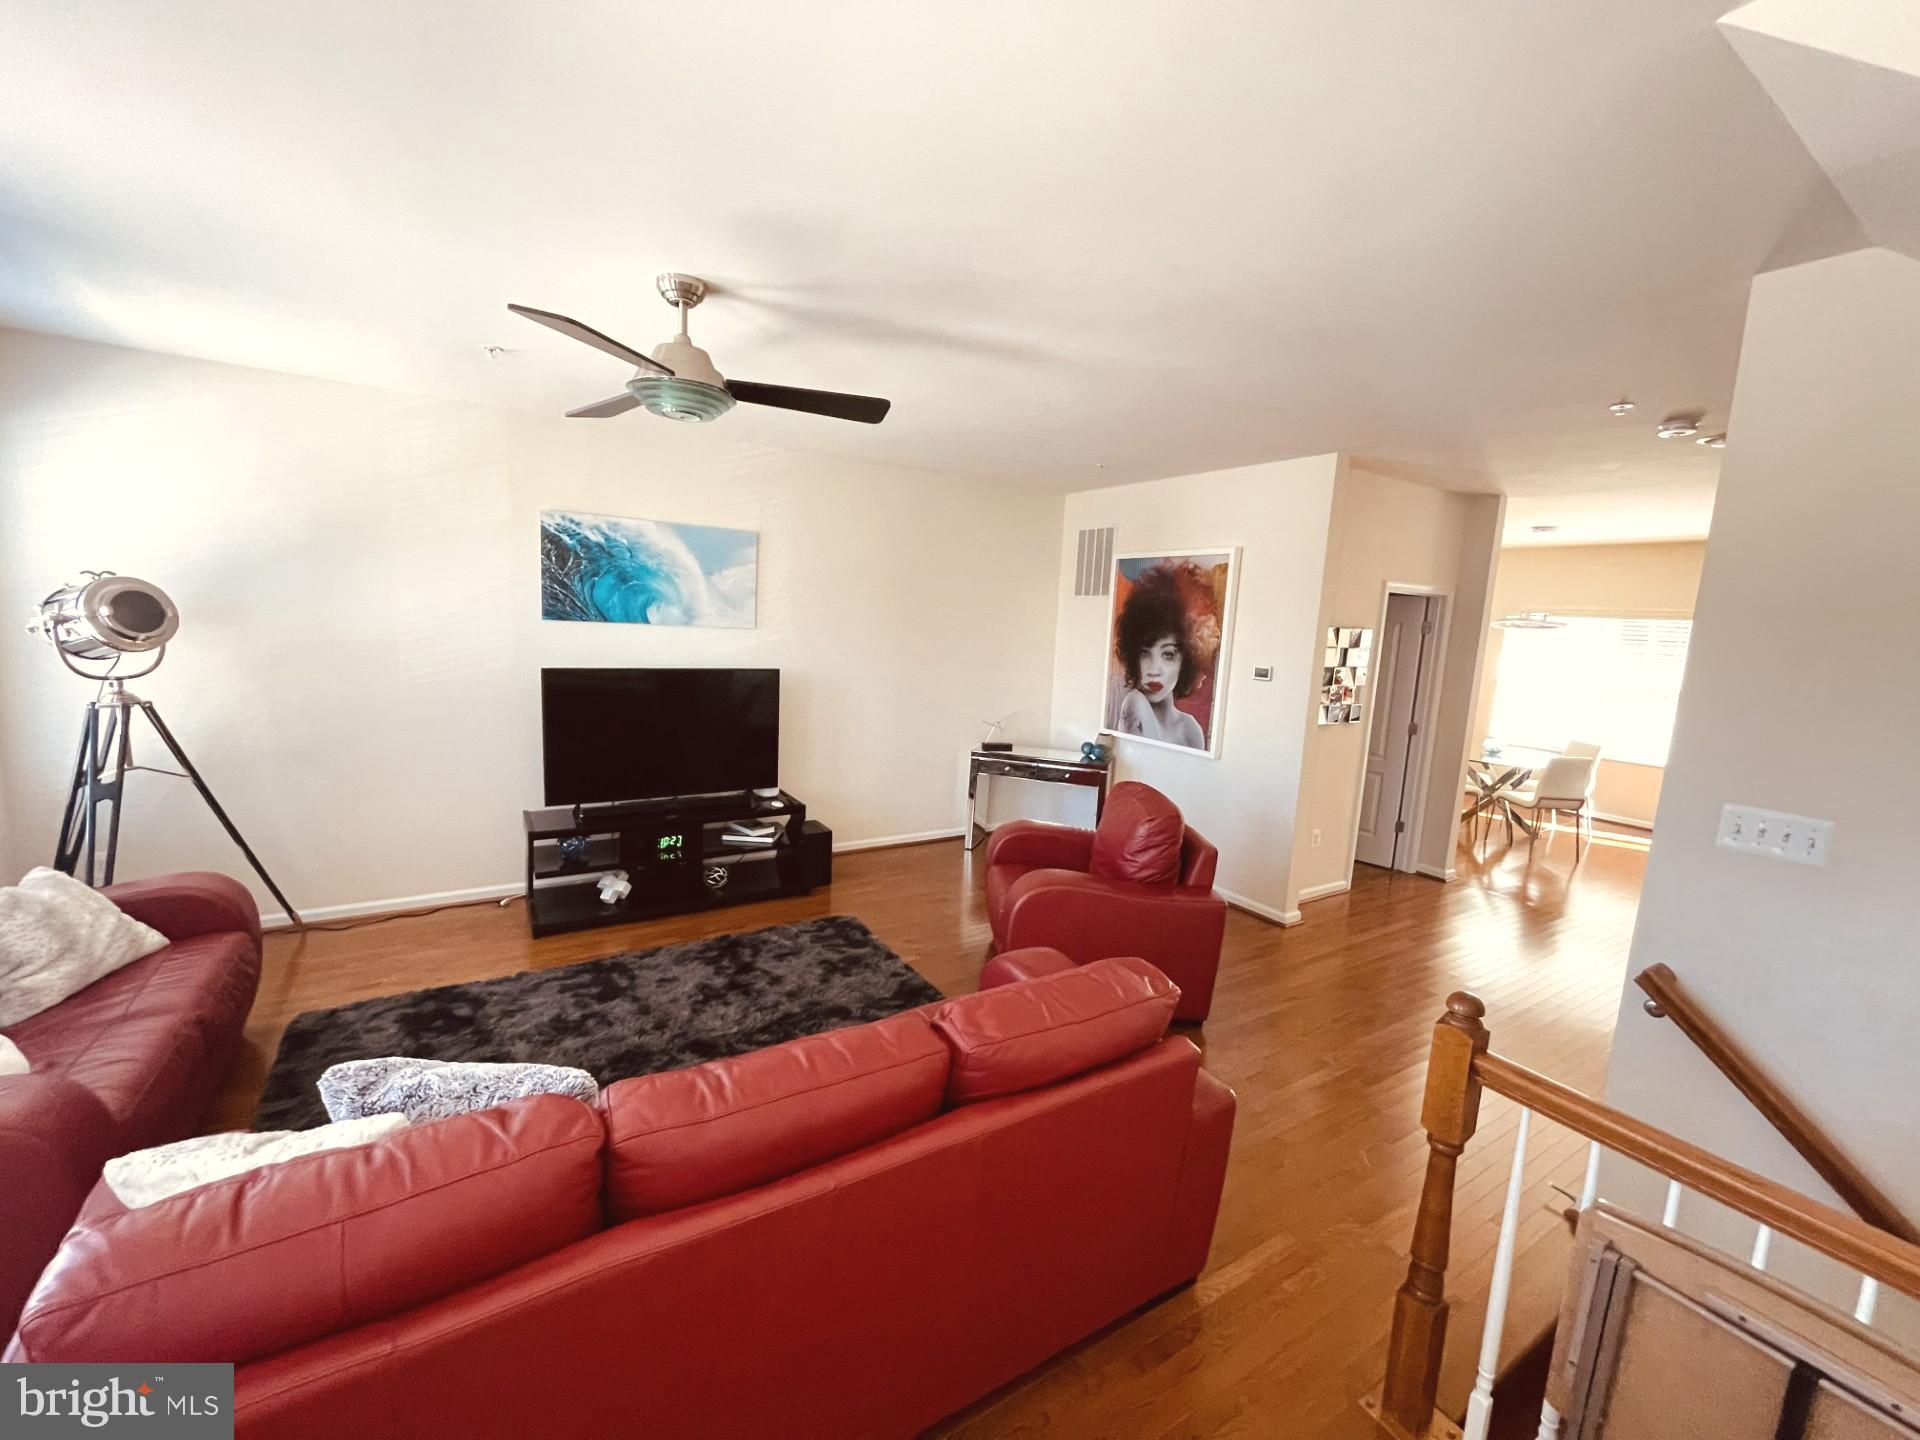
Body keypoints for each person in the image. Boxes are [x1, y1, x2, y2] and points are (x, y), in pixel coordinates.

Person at [1111, 561, 1216, 749]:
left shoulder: (1191, 731)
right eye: (1145, 653)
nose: (1154, 670)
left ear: (1186, 660)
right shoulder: (1134, 703)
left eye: (1168, 654)